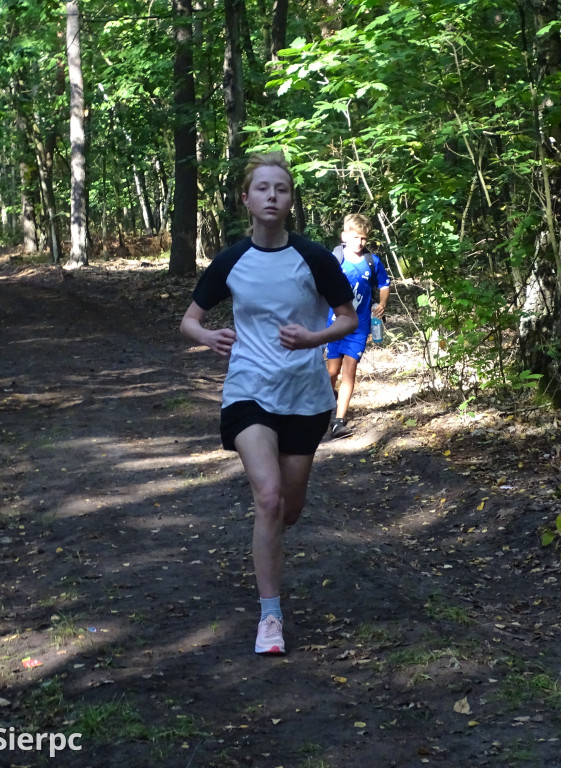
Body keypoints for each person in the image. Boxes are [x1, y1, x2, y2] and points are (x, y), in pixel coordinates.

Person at [180, 151, 358, 656]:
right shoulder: (231, 259)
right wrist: (206, 336)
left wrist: (312, 338)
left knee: (290, 510)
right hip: (248, 391)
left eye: (280, 188)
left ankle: (270, 540)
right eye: (263, 188)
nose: (272, 196)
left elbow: (347, 319)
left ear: (290, 200)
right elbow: (189, 319)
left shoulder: (316, 258)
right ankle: (271, 617)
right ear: (247, 199)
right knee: (270, 497)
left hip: (304, 397)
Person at [324, 213, 391, 439]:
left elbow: (383, 284)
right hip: (334, 326)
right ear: (344, 237)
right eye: (355, 238)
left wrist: (382, 303)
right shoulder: (335, 259)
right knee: (332, 371)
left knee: (349, 372)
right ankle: (323, 407)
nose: (359, 243)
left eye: (363, 239)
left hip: (359, 327)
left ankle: (339, 421)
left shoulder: (373, 262)